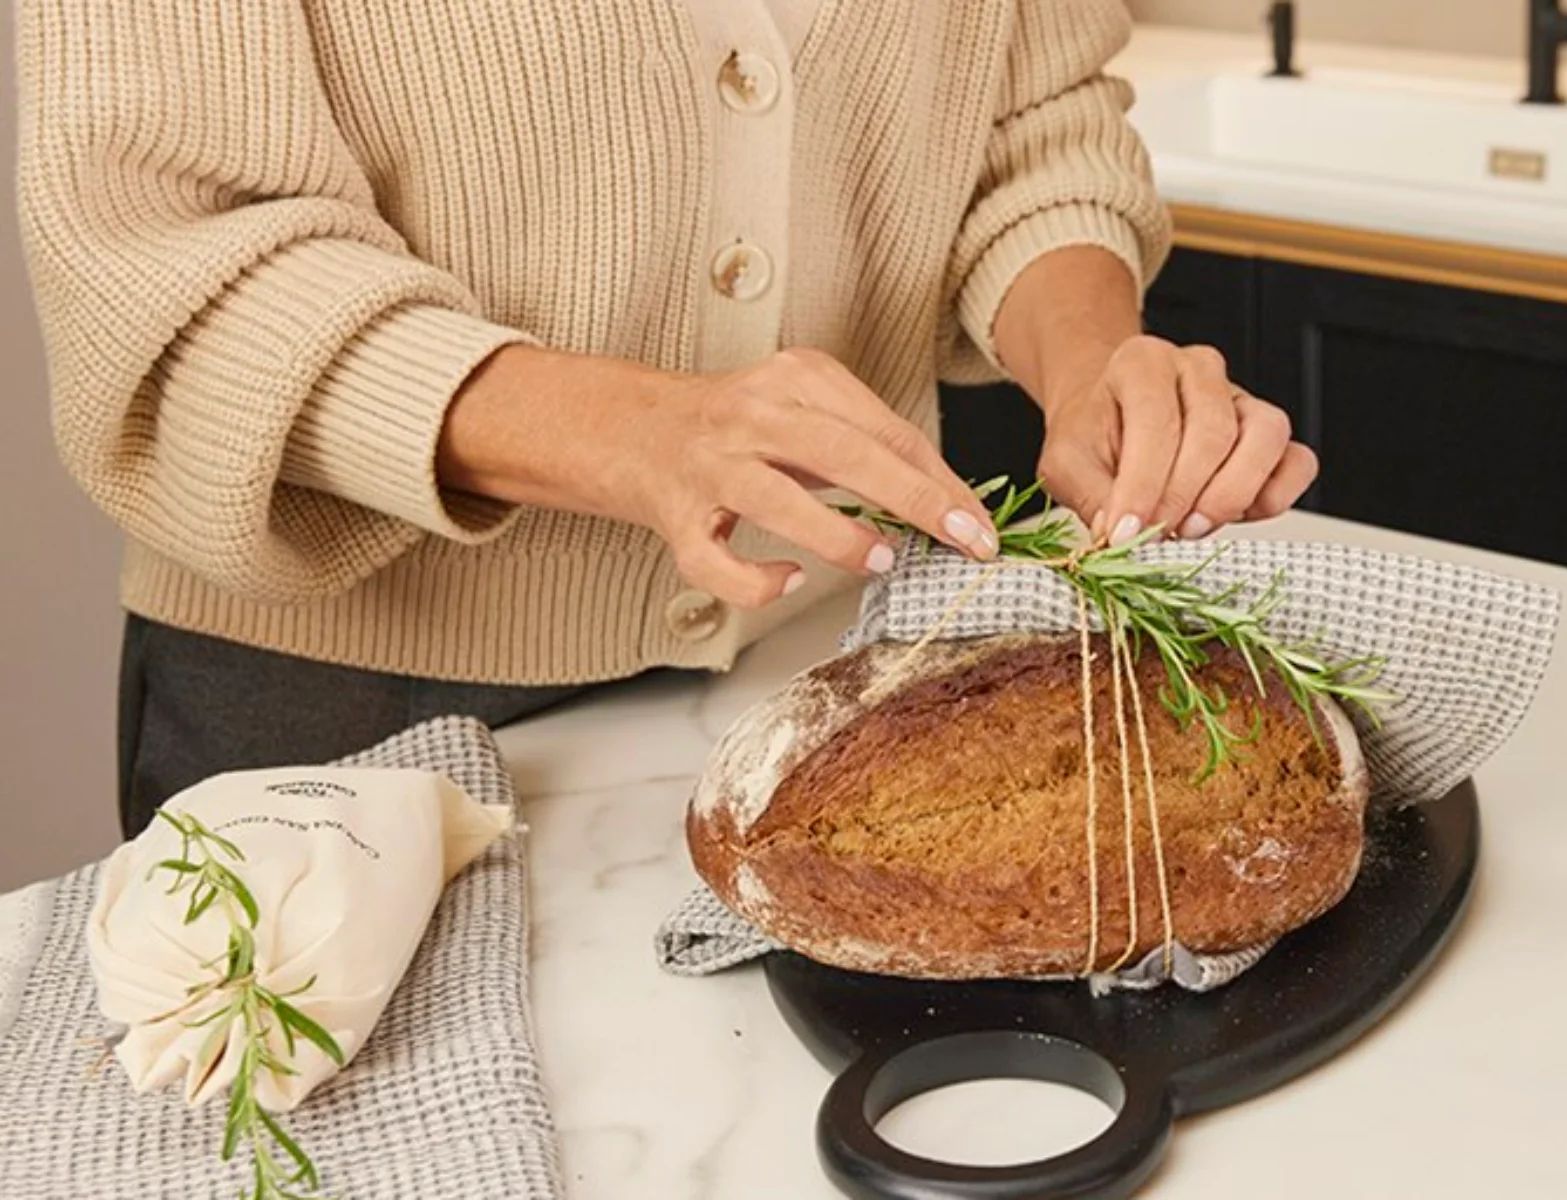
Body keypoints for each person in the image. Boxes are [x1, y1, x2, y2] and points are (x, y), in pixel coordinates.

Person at [18, 2, 1316, 837]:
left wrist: (1090, 356)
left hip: (819, 673)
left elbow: (1030, 125)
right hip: (342, 728)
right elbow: (174, 276)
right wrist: (638, 431)